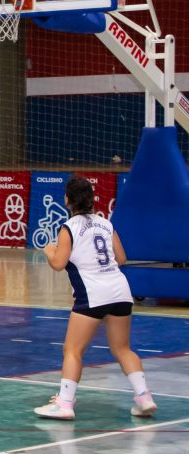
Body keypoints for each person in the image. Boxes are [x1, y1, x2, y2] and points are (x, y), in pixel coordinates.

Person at [33, 175, 157, 420]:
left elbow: (58, 264)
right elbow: (121, 258)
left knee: (72, 350)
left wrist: (49, 251)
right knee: (122, 348)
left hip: (92, 293)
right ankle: (144, 398)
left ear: (67, 200)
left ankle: (65, 404)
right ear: (91, 199)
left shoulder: (70, 227)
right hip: (120, 290)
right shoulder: (106, 223)